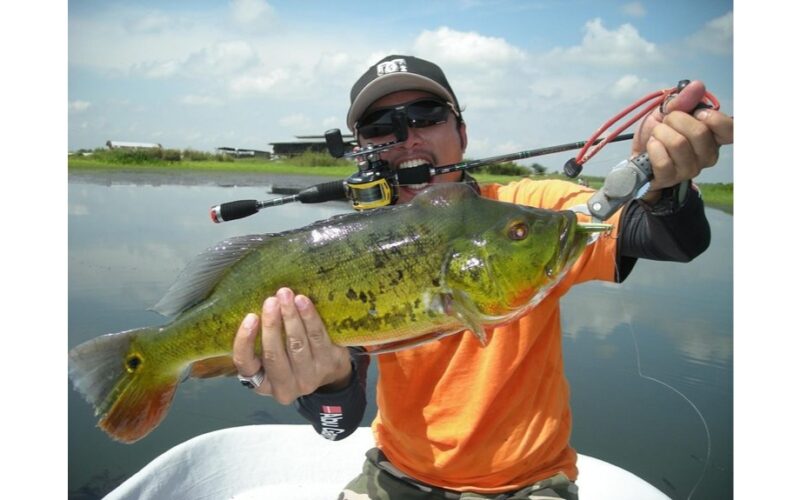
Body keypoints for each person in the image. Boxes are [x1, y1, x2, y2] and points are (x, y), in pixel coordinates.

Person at [231, 55, 734, 499]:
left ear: (462, 133)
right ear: (361, 148)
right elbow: (337, 425)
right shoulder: (350, 248)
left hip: (527, 485)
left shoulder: (526, 215)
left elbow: (670, 240)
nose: (407, 136)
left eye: (426, 116)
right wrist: (325, 381)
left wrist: (665, 186)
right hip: (396, 476)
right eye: (382, 126)